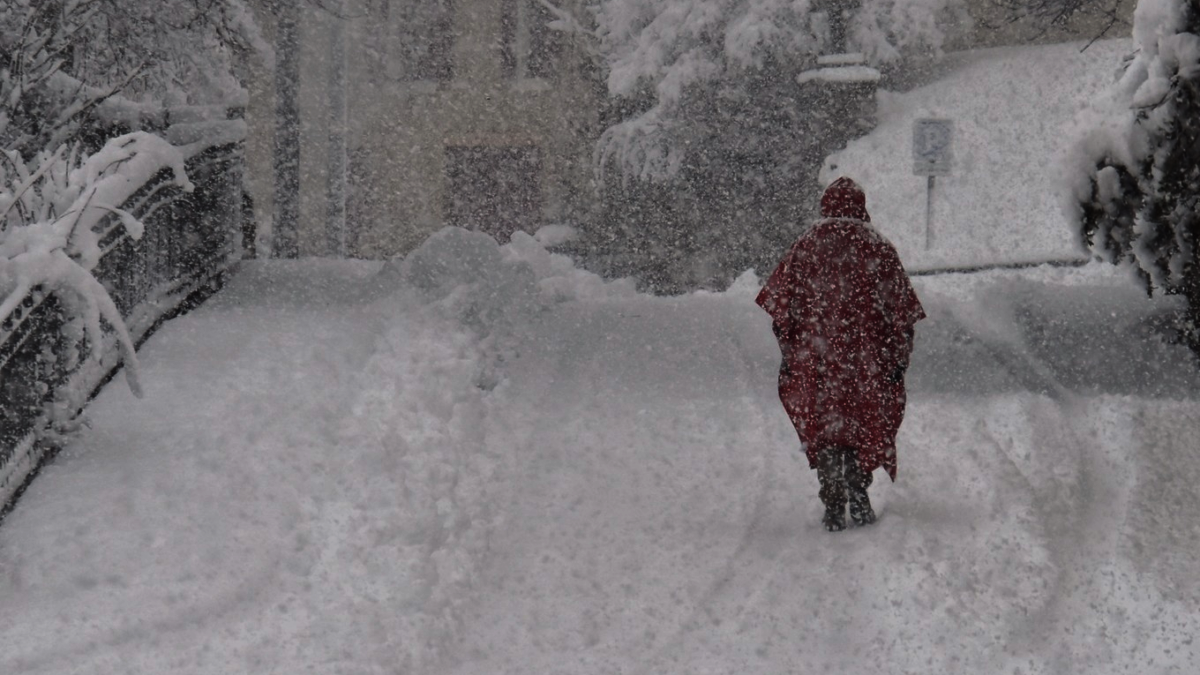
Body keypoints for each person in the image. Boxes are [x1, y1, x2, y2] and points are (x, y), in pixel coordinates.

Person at [756, 177, 925, 532]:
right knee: (863, 423)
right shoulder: (877, 247)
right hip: (868, 362)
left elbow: (782, 308)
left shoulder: (806, 246)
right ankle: (859, 494)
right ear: (861, 206)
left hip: (819, 362)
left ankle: (832, 498)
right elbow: (902, 313)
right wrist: (895, 359)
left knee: (828, 427)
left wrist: (795, 350)